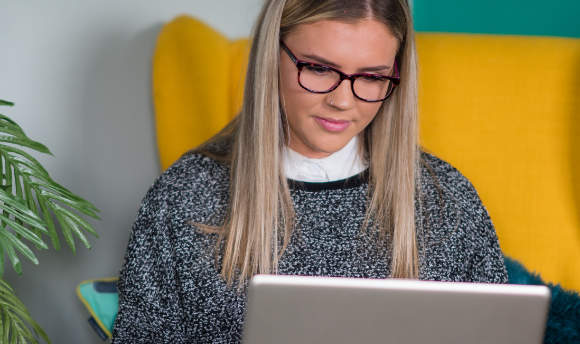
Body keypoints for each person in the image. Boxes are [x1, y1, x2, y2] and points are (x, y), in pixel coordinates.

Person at [112, 0, 507, 342]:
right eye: (319, 69)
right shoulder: (184, 197)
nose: (341, 101)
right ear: (271, 56)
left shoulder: (446, 200)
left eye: (371, 77)